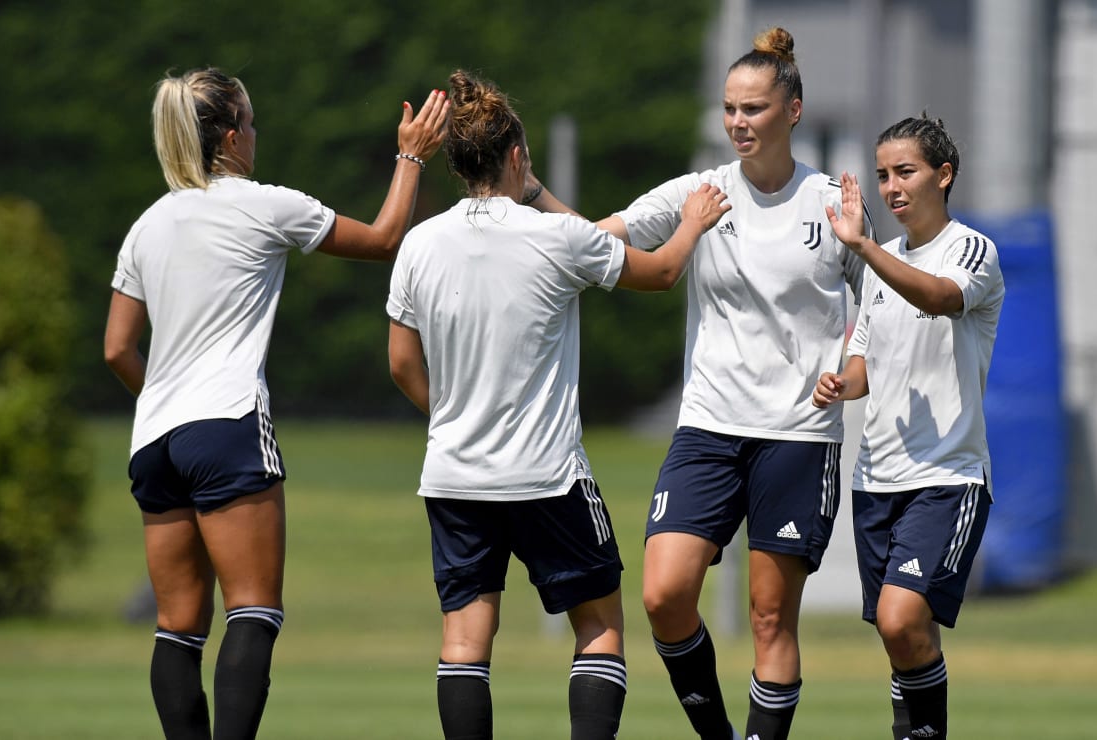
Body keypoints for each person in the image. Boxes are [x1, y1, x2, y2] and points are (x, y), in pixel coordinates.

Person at [528, 26, 869, 740]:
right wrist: (531, 193)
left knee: (771, 617)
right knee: (663, 593)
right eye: (730, 109)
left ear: (793, 110)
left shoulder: (829, 203)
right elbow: (600, 239)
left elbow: (878, 308)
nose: (739, 122)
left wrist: (854, 370)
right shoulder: (700, 193)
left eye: (754, 108)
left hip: (798, 435)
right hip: (709, 428)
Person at [103, 66, 448, 740]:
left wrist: (168, 402)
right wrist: (410, 156)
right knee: (254, 611)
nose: (257, 136)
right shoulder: (264, 204)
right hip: (226, 425)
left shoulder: (148, 224)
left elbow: (117, 348)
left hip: (153, 440)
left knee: (177, 627)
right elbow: (382, 240)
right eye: (252, 124)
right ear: (231, 136)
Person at [386, 69, 730, 740]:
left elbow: (402, 362)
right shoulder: (556, 239)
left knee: (464, 641)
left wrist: (450, 421)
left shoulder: (420, 245)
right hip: (547, 477)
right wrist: (691, 224)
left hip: (455, 475)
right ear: (517, 156)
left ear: (459, 163)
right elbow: (658, 272)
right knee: (598, 627)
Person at [812, 114, 1004, 740]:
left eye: (906, 172)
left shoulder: (970, 249)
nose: (891, 187)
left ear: (943, 176)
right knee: (902, 635)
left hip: (946, 476)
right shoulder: (881, 263)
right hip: (876, 479)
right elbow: (866, 355)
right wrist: (843, 383)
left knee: (901, 619)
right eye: (882, 176)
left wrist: (863, 246)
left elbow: (940, 298)